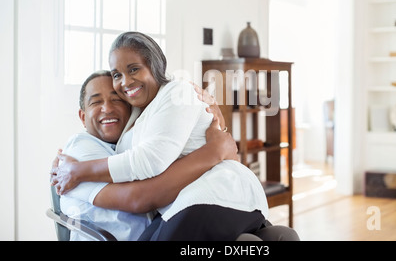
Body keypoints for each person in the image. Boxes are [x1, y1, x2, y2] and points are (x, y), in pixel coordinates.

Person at [53, 31, 269, 241]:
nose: (125, 82)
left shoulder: (177, 93)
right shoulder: (136, 115)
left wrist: (78, 170)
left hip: (214, 197)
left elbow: (149, 162)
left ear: (154, 66)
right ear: (82, 115)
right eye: (117, 75)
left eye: (134, 69)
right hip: (177, 205)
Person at [54, 70, 238, 240]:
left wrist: (210, 111)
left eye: (117, 100)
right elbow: (138, 198)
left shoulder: (128, 146)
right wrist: (215, 151)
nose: (107, 108)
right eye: (96, 102)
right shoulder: (80, 150)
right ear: (82, 116)